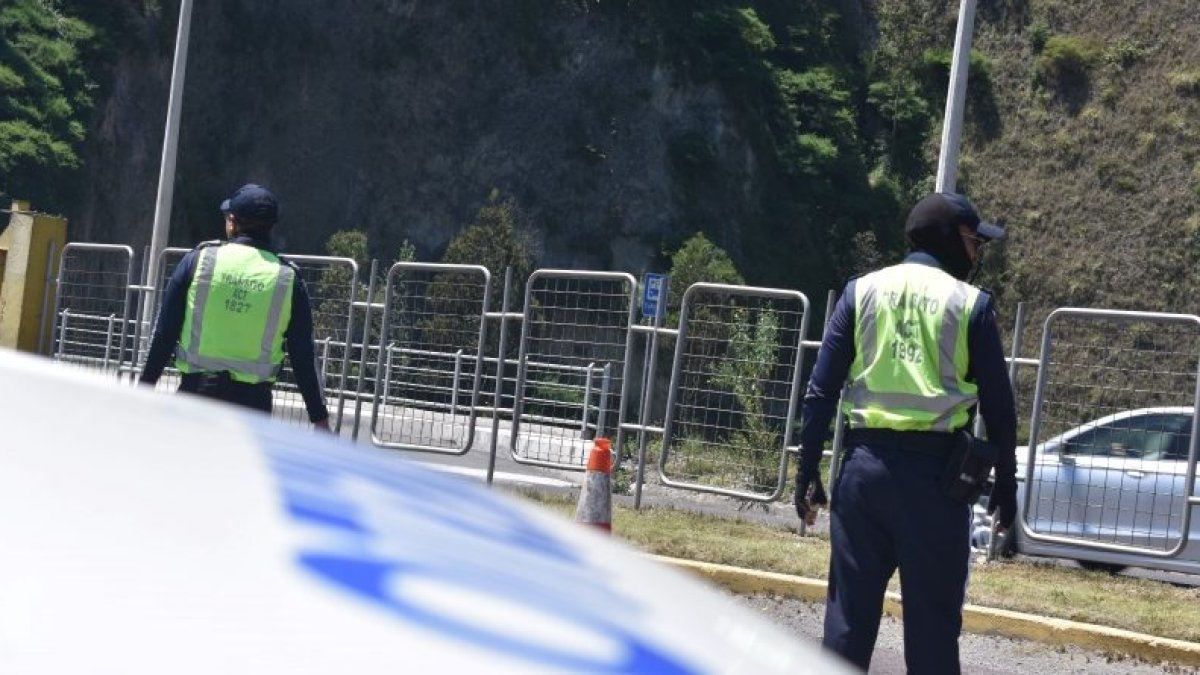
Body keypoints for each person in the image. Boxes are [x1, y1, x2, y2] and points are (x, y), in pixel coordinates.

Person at [794, 192, 1018, 673]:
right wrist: (1007, 485)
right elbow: (1000, 411)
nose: (977, 252)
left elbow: (819, 394)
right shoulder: (971, 305)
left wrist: (806, 471)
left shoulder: (862, 291)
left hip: (863, 474)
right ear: (949, 240)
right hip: (936, 486)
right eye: (973, 241)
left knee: (847, 628)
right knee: (933, 634)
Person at [140, 183, 331, 431]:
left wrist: (144, 390)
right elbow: (303, 354)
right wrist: (319, 417)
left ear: (232, 221)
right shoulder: (288, 279)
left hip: (196, 397)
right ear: (271, 227)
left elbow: (164, 333)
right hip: (253, 408)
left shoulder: (198, 261)